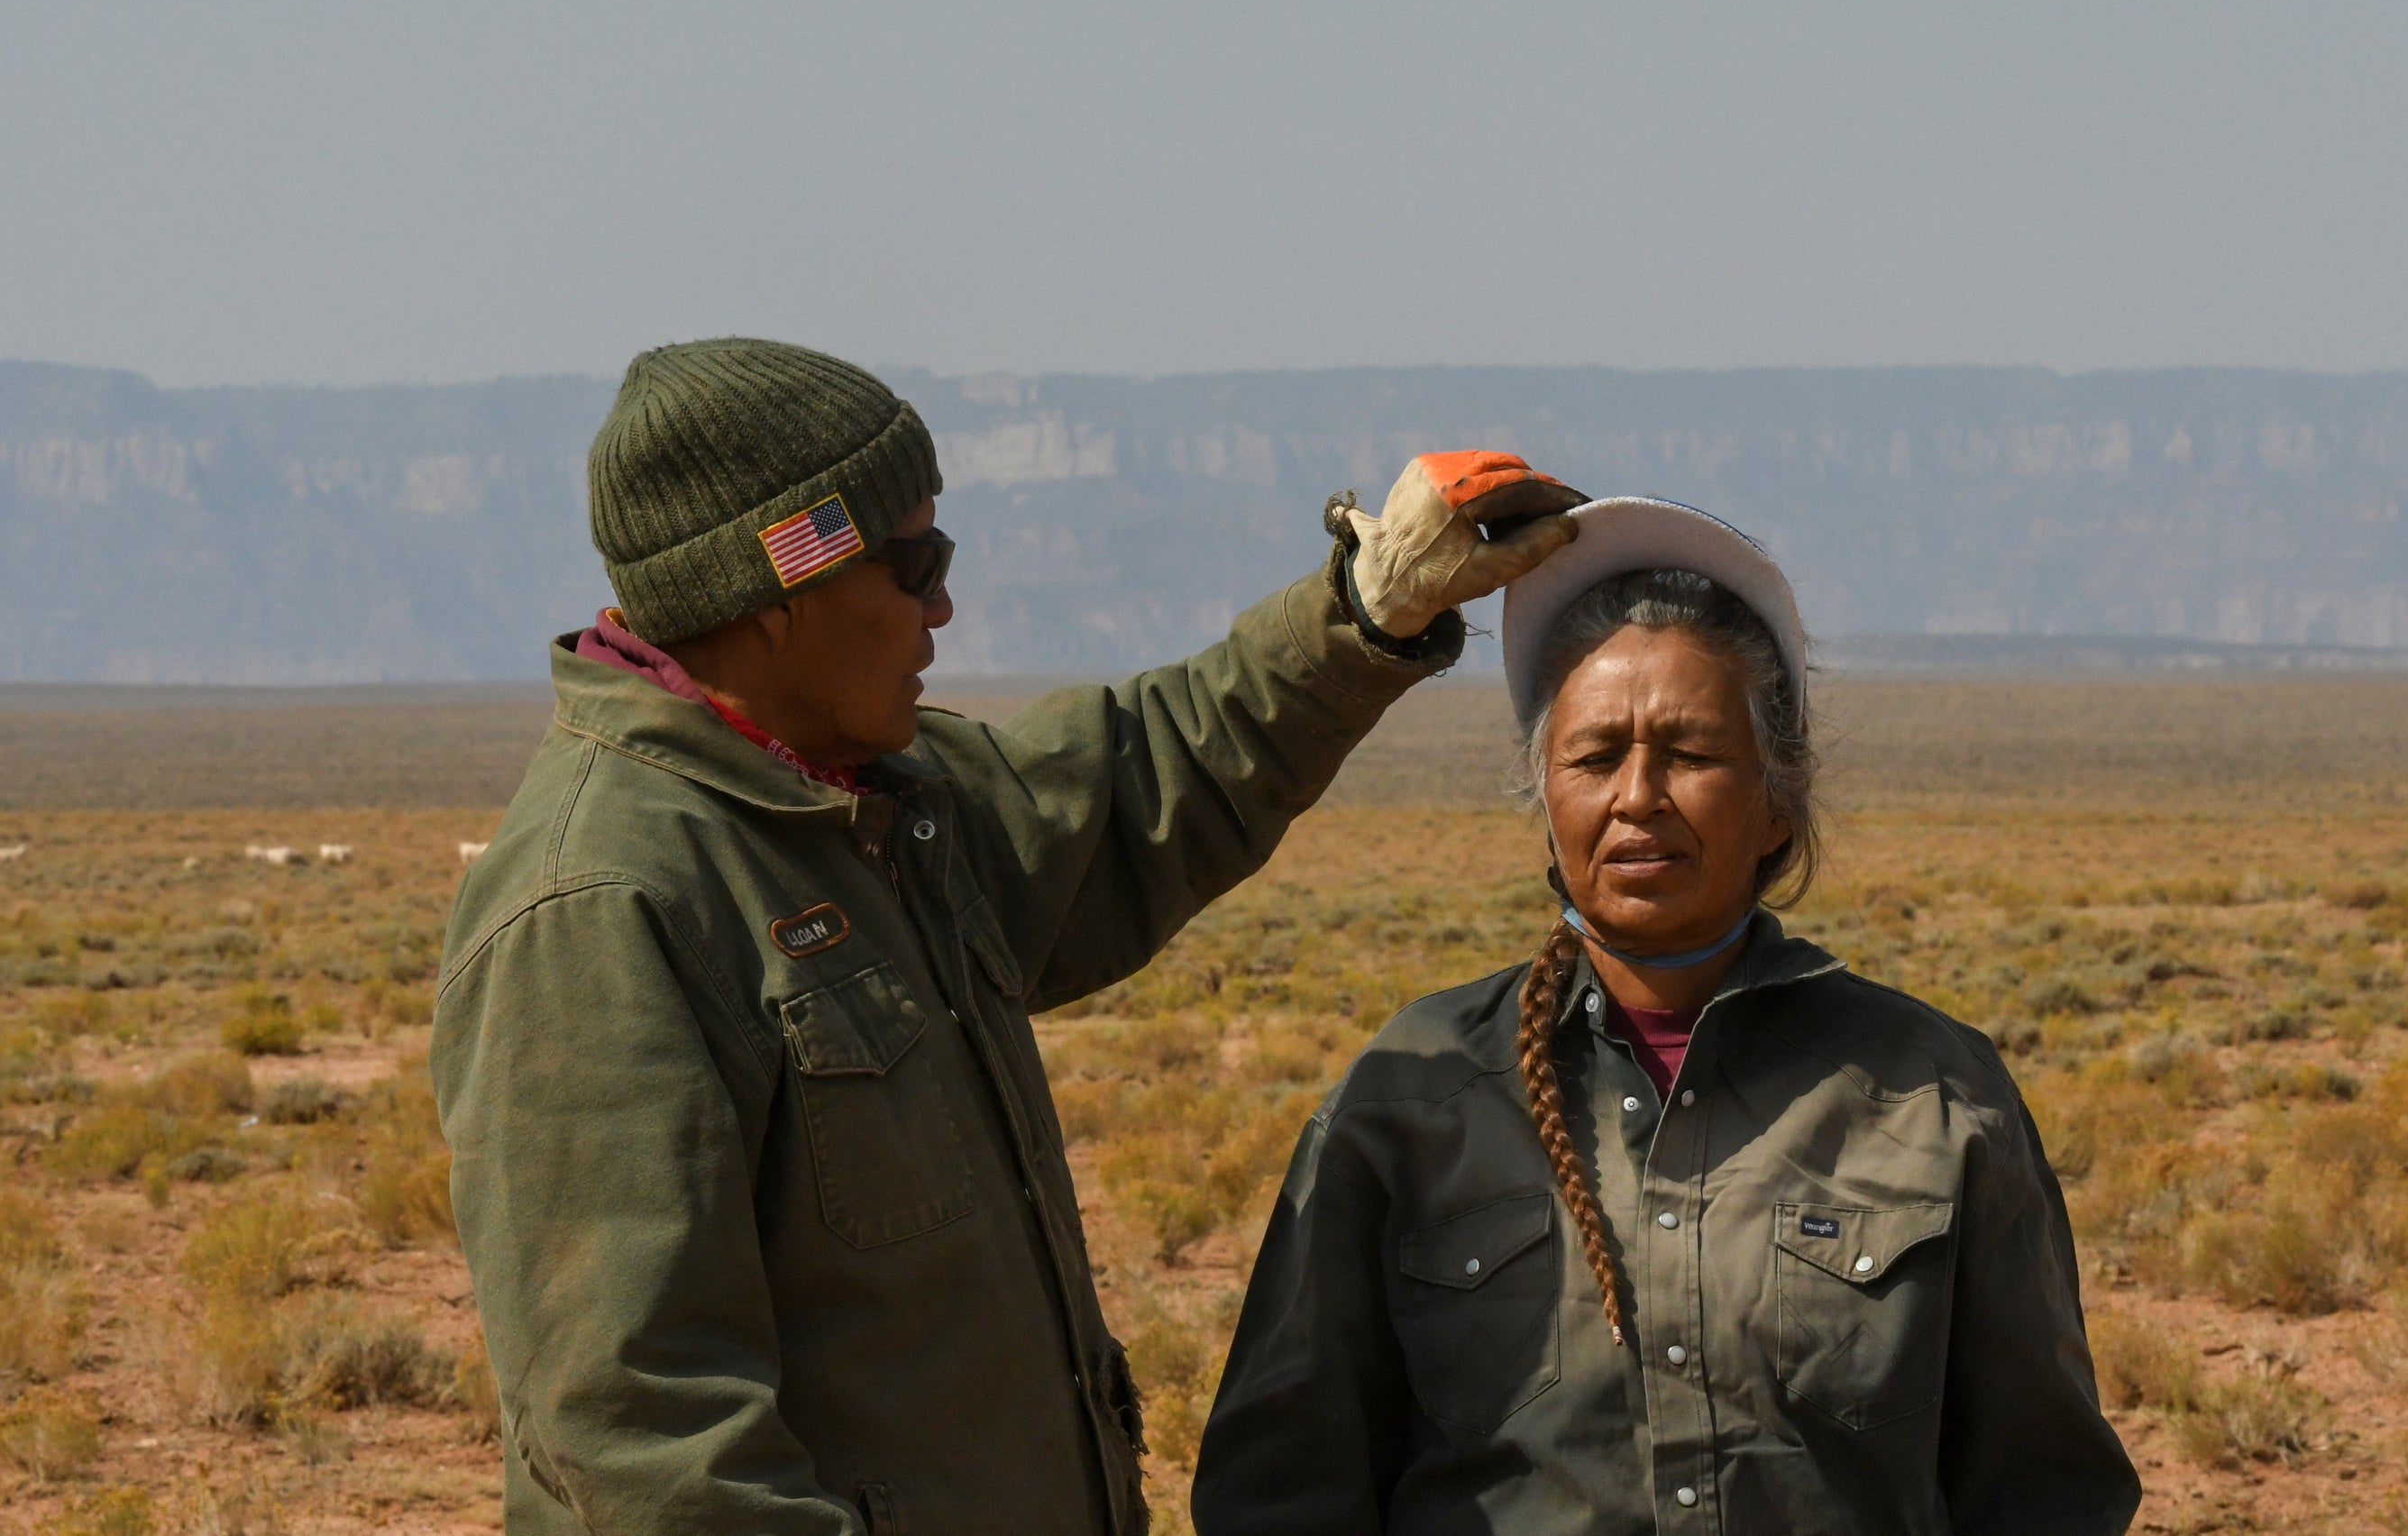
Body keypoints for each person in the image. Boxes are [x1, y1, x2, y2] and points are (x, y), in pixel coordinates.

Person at [430, 337, 1579, 1536]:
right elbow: (649, 1446)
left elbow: (1140, 779)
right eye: (913, 561)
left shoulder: (878, 810)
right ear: (776, 592)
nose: (943, 603)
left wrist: (1364, 612)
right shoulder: (599, 910)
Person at [1194, 498, 2139, 1534]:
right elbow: (1280, 1490)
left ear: (1778, 798)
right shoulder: (1411, 1096)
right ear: (1544, 801)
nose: (1637, 796)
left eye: (1687, 754)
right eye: (1595, 759)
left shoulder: (1933, 1098)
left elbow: (2044, 1494)